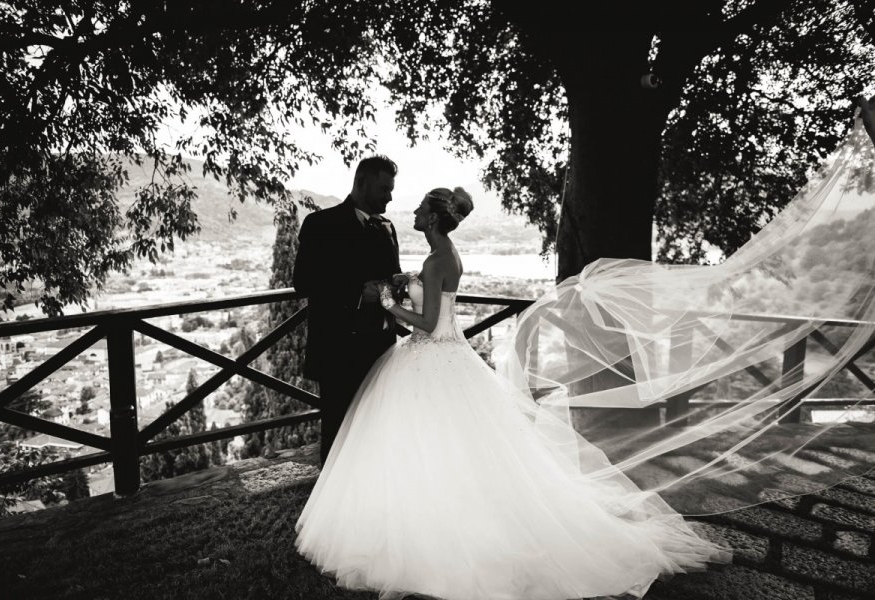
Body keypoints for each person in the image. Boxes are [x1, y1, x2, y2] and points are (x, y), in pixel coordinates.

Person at [295, 187, 730, 600]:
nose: (410, 212)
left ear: (430, 217)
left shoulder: (436, 260)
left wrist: (388, 300)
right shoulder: (442, 254)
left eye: (418, 209)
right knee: (449, 447)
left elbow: (428, 324)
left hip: (430, 352)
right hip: (447, 356)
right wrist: (404, 281)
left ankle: (430, 528)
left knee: (423, 444)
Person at [292, 155, 401, 465]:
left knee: (377, 427)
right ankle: (331, 500)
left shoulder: (387, 228)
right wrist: (356, 294)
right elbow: (303, 282)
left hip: (381, 348)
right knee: (338, 432)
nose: (390, 197)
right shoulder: (321, 224)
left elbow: (392, 275)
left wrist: (399, 286)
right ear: (362, 182)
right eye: (384, 189)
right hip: (338, 349)